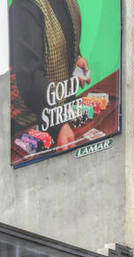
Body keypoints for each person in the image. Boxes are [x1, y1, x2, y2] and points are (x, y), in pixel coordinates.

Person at [10, 0, 89, 151]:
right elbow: (29, 77)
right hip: (29, 123)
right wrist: (58, 124)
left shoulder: (69, 2)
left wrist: (77, 58)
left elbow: (66, 35)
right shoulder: (25, 5)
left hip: (62, 112)